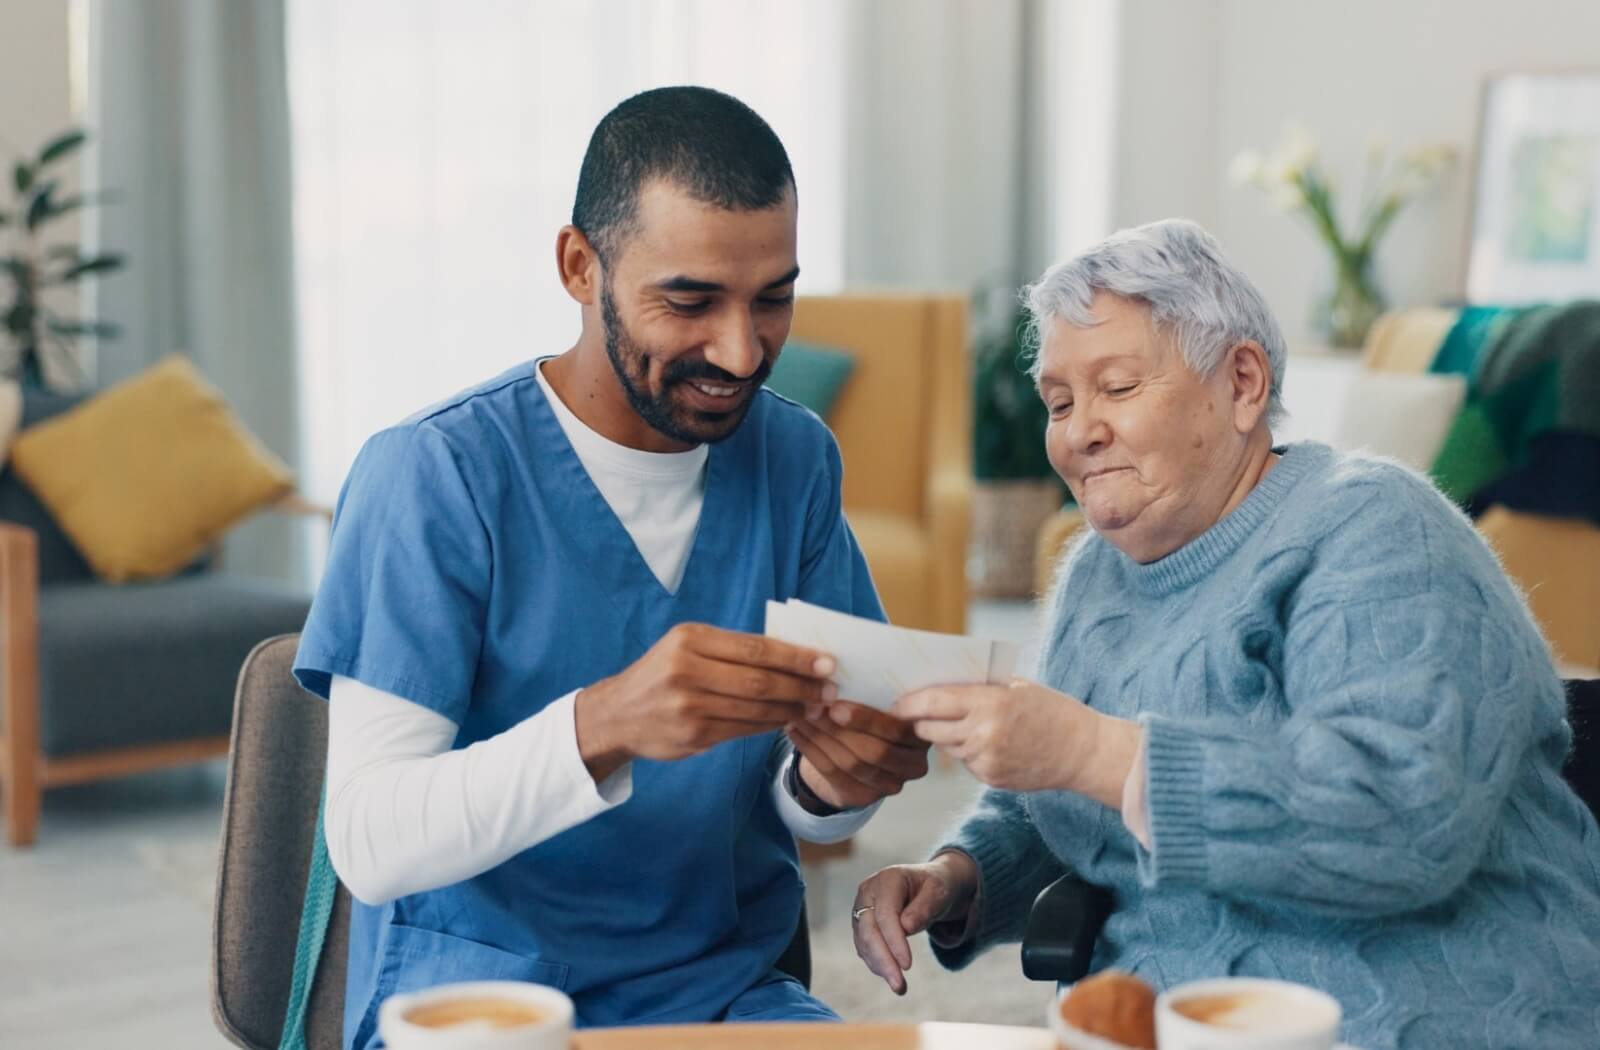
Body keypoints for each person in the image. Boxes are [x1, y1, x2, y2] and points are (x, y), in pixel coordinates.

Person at [853, 219, 1600, 1049]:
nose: (1077, 431)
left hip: (1407, 1008)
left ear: (1242, 382)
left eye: (1118, 388)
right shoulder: (1097, 574)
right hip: (1168, 1016)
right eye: (1060, 402)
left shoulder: (1376, 527)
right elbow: (1060, 791)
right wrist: (958, 876)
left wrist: (1093, 751)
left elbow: (1403, 819)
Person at [295, 86, 930, 1046]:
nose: (742, 349)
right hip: (482, 1003)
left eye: (774, 299)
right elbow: (371, 842)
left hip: (719, 993)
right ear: (579, 265)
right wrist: (608, 724)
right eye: (690, 301)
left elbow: (809, 816)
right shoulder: (436, 474)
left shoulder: (793, 461)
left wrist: (837, 785)